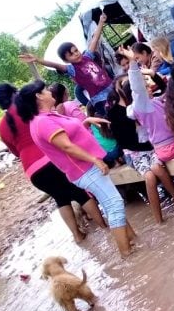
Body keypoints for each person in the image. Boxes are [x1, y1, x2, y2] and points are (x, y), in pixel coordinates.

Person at [15, 81, 135, 256]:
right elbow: (67, 147)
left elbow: (70, 136)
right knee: (115, 204)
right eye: (45, 90)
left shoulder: (48, 117)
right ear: (38, 96)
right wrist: (94, 160)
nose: (49, 91)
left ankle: (132, 240)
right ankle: (126, 253)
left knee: (111, 204)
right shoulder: (42, 122)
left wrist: (85, 122)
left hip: (85, 167)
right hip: (85, 169)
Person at [0, 83, 106, 244]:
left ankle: (77, 235)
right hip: (49, 160)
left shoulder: (2, 127)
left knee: (60, 198)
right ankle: (105, 227)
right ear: (14, 93)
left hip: (32, 172)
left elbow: (16, 153)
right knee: (79, 193)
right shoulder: (28, 108)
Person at [113, 47, 174, 223]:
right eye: (147, 86)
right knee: (151, 173)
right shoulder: (142, 107)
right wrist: (133, 63)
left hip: (160, 150)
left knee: (154, 169)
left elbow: (167, 89)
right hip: (165, 149)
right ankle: (168, 209)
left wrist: (153, 73)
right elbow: (138, 89)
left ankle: (173, 207)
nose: (149, 87)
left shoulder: (154, 102)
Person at [20, 13, 113, 115]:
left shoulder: (88, 56)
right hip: (100, 99)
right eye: (71, 54)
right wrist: (37, 59)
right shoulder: (72, 69)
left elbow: (95, 39)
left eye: (76, 50)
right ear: (66, 60)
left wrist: (101, 21)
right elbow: (54, 65)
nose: (76, 54)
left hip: (111, 87)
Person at [85, 102, 122, 167]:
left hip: (106, 156)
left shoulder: (91, 126)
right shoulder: (107, 118)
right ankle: (120, 158)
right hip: (118, 150)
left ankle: (115, 162)